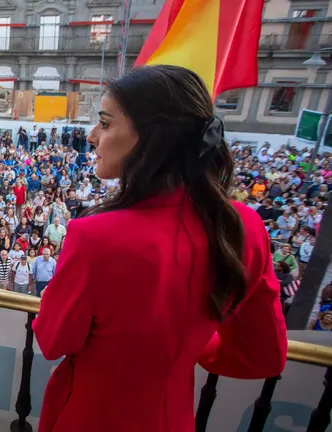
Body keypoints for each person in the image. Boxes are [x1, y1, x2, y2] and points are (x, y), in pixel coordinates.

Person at [32, 66, 287, 432]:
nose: (91, 137)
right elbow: (263, 356)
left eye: (105, 124)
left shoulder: (94, 236)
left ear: (149, 138)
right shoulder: (244, 227)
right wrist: (183, 349)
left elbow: (53, 340)